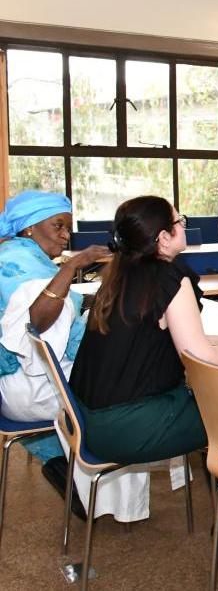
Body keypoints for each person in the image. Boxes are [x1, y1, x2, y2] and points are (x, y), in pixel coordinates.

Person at [70, 196, 218, 465]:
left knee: (216, 402)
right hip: (126, 426)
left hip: (87, 418)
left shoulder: (120, 273)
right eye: (179, 222)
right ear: (164, 237)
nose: (184, 226)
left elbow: (158, 339)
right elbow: (202, 359)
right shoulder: (168, 277)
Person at [0, 191, 151, 522]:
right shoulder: (17, 264)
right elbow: (36, 323)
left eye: (68, 228)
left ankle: (69, 471)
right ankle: (105, 495)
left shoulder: (21, 257)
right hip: (31, 386)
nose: (66, 235)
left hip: (21, 384)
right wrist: (74, 265)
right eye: (58, 226)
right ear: (28, 228)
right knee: (128, 390)